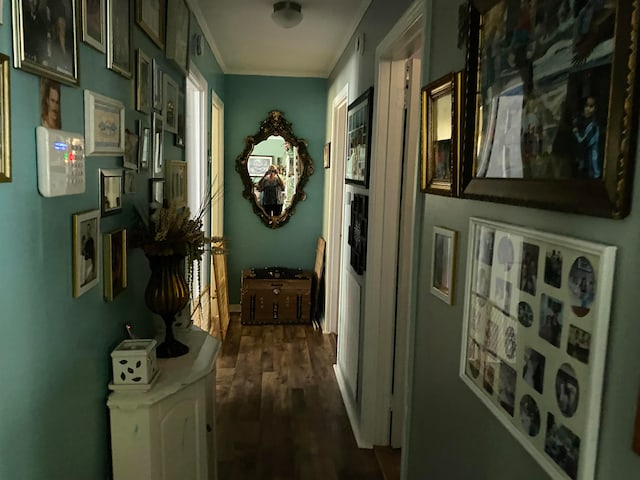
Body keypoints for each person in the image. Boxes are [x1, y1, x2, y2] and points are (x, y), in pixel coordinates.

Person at [572, 95, 601, 178]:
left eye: (591, 106)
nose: (589, 109)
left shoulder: (594, 123)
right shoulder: (578, 120)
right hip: (578, 155)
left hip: (590, 154)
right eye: (586, 106)